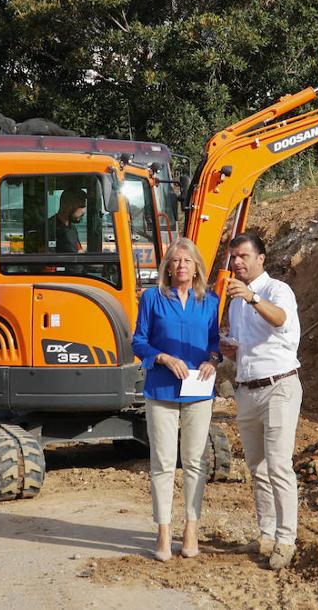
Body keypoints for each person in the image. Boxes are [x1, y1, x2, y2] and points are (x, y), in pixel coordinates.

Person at [131, 238, 221, 562]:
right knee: (164, 463)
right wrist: (164, 358)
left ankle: (191, 530)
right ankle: (164, 533)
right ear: (167, 267)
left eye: (187, 261)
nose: (181, 265)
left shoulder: (210, 301)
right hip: (162, 389)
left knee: (195, 462)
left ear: (196, 266)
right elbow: (138, 342)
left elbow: (214, 342)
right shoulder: (153, 298)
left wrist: (213, 359)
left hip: (198, 390)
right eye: (175, 261)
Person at [222, 232, 302, 570]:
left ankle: (286, 540)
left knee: (279, 465)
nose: (237, 262)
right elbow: (246, 345)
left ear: (260, 259)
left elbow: (280, 319)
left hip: (279, 387)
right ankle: (266, 534)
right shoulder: (236, 302)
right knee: (257, 467)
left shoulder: (275, 290)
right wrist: (229, 348)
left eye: (243, 256)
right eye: (233, 257)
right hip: (247, 389)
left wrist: (252, 297)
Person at [48, 188, 86, 252]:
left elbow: (80, 252)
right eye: (81, 206)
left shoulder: (73, 229)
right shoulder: (49, 228)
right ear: (66, 205)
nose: (84, 211)